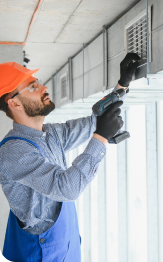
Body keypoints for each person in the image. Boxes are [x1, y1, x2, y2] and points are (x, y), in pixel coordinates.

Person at [0, 53, 140, 262]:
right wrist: (100, 138)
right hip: (40, 256)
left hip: (66, 247)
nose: (44, 88)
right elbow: (67, 188)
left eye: (37, 83)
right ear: (15, 104)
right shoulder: (13, 153)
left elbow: (95, 122)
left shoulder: (50, 134)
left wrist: (122, 86)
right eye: (32, 87)